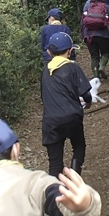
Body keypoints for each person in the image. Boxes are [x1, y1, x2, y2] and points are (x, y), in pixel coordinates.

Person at [41, 32, 93, 178]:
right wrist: (87, 103)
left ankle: (54, 196)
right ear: (70, 51)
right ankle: (74, 178)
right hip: (71, 117)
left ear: (50, 52)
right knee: (79, 145)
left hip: (50, 121)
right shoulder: (72, 68)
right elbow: (86, 94)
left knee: (55, 164)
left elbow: (44, 98)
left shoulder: (45, 72)